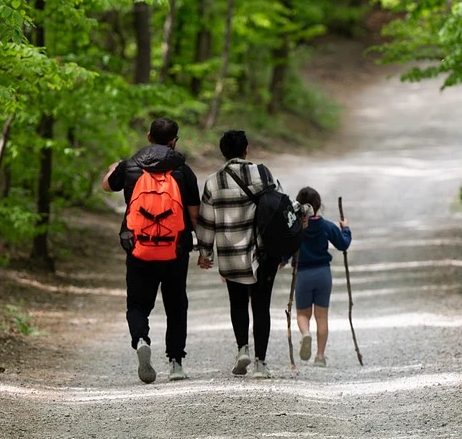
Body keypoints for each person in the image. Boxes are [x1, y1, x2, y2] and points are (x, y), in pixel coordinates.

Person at [103, 118, 200, 384]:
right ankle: (176, 363)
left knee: (137, 304)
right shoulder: (183, 170)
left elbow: (106, 185)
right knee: (177, 305)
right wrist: (201, 247)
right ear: (174, 141)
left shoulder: (130, 165)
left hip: (138, 248)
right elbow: (193, 214)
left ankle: (142, 339)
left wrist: (115, 167)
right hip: (175, 249)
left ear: (148, 137)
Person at [195, 129, 285, 380]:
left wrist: (204, 252)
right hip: (263, 253)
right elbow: (280, 206)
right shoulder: (263, 173)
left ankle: (242, 348)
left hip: (230, 254)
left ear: (223, 153)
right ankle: (260, 363)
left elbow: (206, 222)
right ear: (247, 149)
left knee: (237, 302)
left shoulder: (213, 181)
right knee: (261, 306)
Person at [292, 187, 351, 367]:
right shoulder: (325, 226)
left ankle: (305, 334)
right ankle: (319, 356)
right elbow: (343, 244)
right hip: (323, 274)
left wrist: (282, 260)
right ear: (318, 206)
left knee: (303, 314)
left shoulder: (296, 228)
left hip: (302, 274)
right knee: (322, 317)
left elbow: (286, 247)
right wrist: (346, 229)